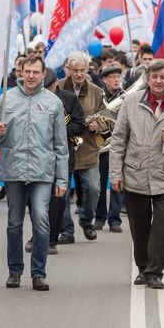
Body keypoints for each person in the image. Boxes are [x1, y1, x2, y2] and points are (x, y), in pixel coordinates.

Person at [109, 59, 164, 290]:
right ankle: (143, 268)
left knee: (162, 226)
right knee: (140, 228)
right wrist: (116, 174)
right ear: (147, 79)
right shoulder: (131, 102)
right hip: (136, 174)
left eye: (163, 77)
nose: (158, 81)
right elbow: (118, 139)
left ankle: (155, 272)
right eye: (154, 77)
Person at [0, 54, 68, 292]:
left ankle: (38, 273)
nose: (31, 76)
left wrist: (62, 178)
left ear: (43, 75)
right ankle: (15, 271)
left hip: (43, 171)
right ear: (20, 73)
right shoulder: (6, 99)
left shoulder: (54, 103)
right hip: (14, 169)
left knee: (41, 219)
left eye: (36, 72)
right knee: (14, 222)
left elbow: (61, 145)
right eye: (27, 71)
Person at [58, 51, 108, 241]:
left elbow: (106, 117)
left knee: (94, 187)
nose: (79, 74)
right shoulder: (58, 87)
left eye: (83, 70)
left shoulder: (96, 90)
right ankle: (66, 231)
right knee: (61, 191)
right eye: (75, 70)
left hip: (88, 148)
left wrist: (98, 126)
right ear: (68, 70)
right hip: (63, 148)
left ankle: (86, 220)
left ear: (88, 69)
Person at [42, 68, 84, 252]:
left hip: (62, 154)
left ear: (55, 84)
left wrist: (58, 130)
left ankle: (51, 239)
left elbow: (79, 125)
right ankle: (40, 234)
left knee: (58, 198)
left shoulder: (68, 98)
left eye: (49, 87)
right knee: (39, 199)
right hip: (40, 156)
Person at [95, 65, 124, 231]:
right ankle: (99, 217)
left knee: (117, 182)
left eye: (117, 77)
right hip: (102, 145)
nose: (116, 80)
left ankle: (115, 220)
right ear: (105, 79)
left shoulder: (126, 96)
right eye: (112, 77)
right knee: (99, 182)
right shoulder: (99, 96)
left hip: (118, 145)